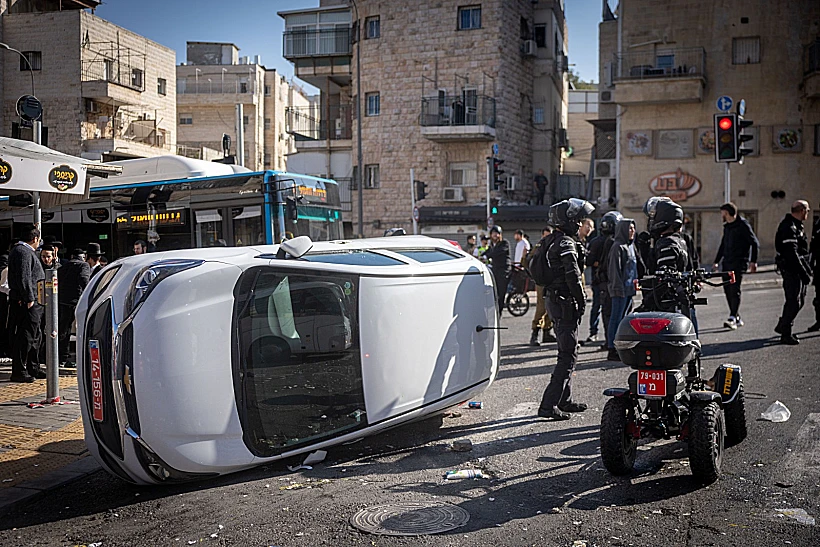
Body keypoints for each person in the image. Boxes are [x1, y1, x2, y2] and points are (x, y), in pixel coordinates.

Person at [537, 198, 595, 421]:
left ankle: (564, 399)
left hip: (557, 301)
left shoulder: (555, 240)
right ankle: (548, 405)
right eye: (578, 220)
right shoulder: (565, 244)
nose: (580, 224)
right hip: (564, 303)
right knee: (567, 355)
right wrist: (581, 300)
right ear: (568, 220)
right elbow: (572, 275)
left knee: (570, 350)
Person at [7, 225, 45, 383]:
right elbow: (24, 277)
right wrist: (29, 297)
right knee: (26, 336)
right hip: (28, 300)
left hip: (33, 299)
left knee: (35, 335)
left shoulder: (22, 251)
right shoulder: (23, 252)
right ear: (35, 239)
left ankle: (32, 367)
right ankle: (20, 370)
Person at [713, 202, 760, 330]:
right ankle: (736, 316)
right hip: (727, 263)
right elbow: (723, 245)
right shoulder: (727, 227)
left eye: (722, 213)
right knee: (727, 290)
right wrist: (717, 261)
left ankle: (732, 316)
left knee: (734, 289)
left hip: (738, 263)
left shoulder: (743, 225)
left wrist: (753, 261)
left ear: (727, 213)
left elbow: (754, 243)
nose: (721, 216)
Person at [774, 200, 812, 345]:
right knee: (793, 302)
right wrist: (803, 273)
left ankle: (783, 324)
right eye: (807, 210)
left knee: (799, 301)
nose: (807, 213)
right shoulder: (788, 227)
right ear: (801, 210)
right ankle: (785, 332)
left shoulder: (796, 225)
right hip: (791, 269)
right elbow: (792, 253)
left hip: (798, 268)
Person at [584, 211, 622, 347]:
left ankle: (600, 335)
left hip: (600, 281)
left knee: (601, 309)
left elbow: (589, 261)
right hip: (611, 281)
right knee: (612, 311)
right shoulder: (617, 242)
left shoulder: (598, 242)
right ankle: (610, 339)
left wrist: (597, 264)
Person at [606, 219, 638, 361]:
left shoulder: (630, 246)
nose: (632, 231)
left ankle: (621, 346)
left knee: (625, 319)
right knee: (616, 318)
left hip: (629, 289)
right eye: (629, 228)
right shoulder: (617, 247)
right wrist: (618, 288)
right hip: (620, 290)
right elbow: (614, 271)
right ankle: (611, 348)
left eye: (633, 228)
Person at [57, 249, 91, 367]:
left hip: (62, 301)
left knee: (63, 330)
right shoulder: (83, 265)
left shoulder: (63, 267)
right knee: (81, 329)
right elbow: (84, 280)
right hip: (76, 302)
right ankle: (75, 357)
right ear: (84, 257)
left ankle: (61, 357)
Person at [529, 226, 556, 346]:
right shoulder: (539, 247)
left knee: (552, 306)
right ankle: (535, 333)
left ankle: (547, 332)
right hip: (541, 280)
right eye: (545, 235)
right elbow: (530, 261)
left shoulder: (555, 245)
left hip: (553, 280)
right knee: (541, 307)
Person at [481, 225, 511, 314]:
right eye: (493, 233)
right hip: (495, 270)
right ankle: (495, 311)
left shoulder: (504, 243)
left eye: (497, 233)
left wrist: (486, 256)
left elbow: (496, 253)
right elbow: (487, 252)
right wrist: (479, 257)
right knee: (494, 292)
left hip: (504, 271)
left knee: (500, 294)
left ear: (500, 234)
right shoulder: (492, 245)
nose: (495, 235)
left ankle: (499, 313)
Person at [811, 207, 820, 332]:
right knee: (818, 299)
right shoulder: (818, 223)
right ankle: (819, 321)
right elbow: (813, 245)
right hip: (818, 265)